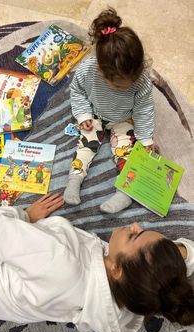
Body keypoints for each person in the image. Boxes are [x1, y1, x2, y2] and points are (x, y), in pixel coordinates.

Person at [0, 193, 194, 332]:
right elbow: (184, 259)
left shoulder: (60, 264)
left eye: (136, 236)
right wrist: (176, 256)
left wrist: (24, 215)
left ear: (117, 269)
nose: (134, 225)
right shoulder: (135, 294)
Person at [63, 7, 155, 213]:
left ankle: (126, 192)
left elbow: (145, 108)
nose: (127, 86)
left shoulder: (141, 81)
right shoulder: (88, 69)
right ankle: (74, 179)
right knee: (85, 145)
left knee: (127, 152)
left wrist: (146, 138)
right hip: (95, 113)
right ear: (102, 71)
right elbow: (76, 91)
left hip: (123, 119)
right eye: (120, 85)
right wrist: (84, 114)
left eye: (131, 80)